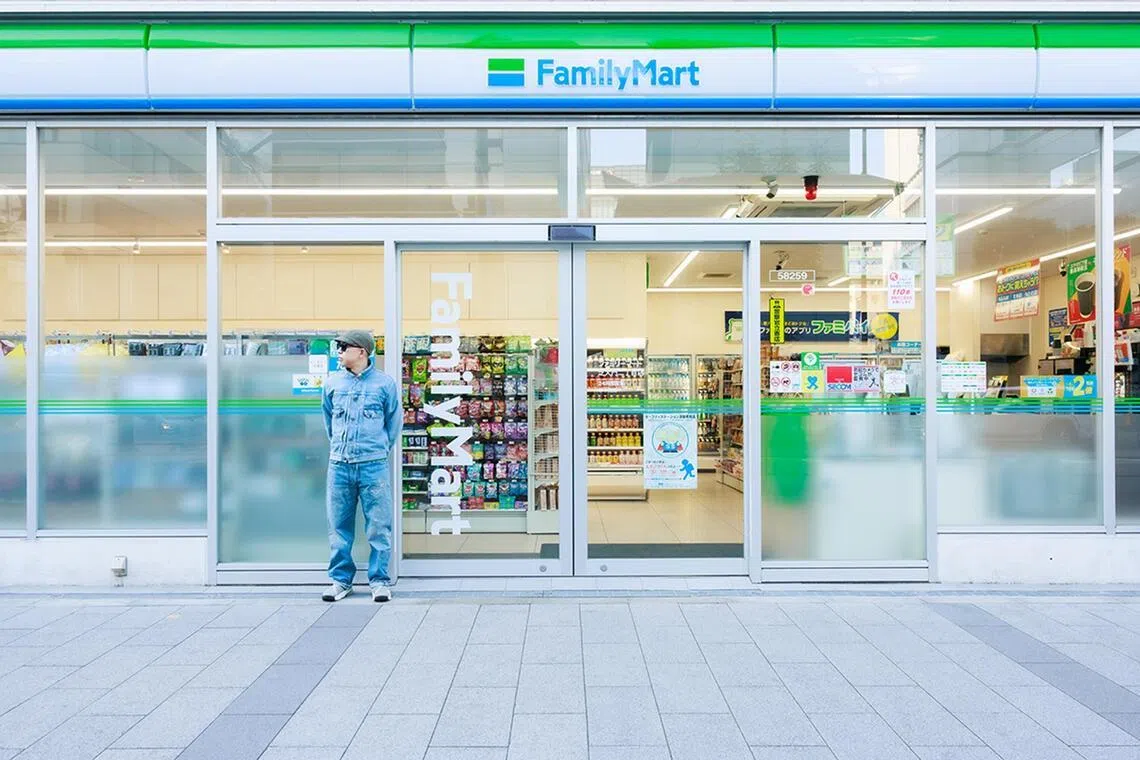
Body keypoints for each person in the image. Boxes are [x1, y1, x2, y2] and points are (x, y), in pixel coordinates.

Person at [320, 330, 401, 603]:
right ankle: (341, 581)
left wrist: (377, 450)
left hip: (373, 466)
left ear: (362, 352)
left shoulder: (384, 385)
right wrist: (339, 448)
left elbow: (393, 424)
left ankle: (379, 581)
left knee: (379, 526)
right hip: (339, 465)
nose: (339, 351)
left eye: (344, 346)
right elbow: (328, 421)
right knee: (338, 526)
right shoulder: (332, 383)